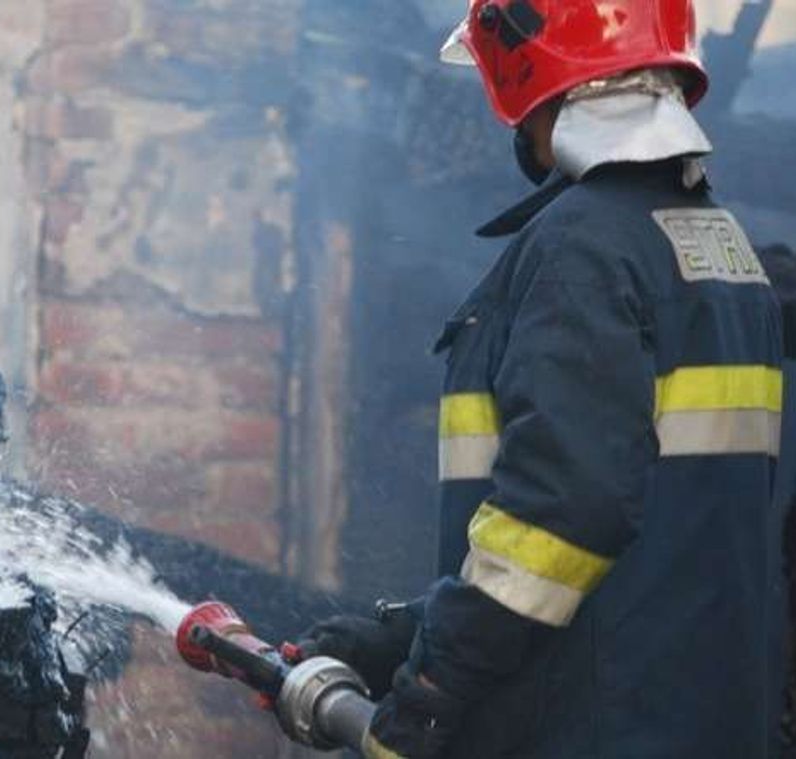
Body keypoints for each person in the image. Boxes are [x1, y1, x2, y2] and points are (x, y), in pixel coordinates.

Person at [298, 2, 785, 757]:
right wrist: (405, 632)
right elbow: (650, 540)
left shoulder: (581, 248)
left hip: (587, 730)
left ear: (532, 76)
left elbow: (559, 516)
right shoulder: (721, 251)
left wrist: (434, 685)